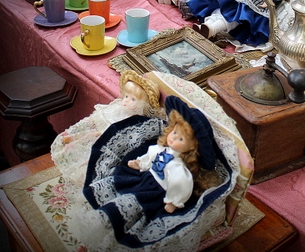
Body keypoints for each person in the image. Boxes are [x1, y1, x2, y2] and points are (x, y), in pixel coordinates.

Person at [82, 95, 218, 249]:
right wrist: (141, 163)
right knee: (121, 188)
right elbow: (151, 155)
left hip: (155, 190)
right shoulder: (162, 149)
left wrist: (174, 201)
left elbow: (181, 184)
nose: (173, 139)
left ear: (192, 148)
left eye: (181, 139)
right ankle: (102, 220)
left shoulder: (178, 167)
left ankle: (113, 230)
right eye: (174, 132)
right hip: (144, 178)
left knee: (133, 205)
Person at [50, 70, 161, 189]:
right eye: (126, 96)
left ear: (143, 104)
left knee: (93, 163)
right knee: (78, 151)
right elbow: (97, 118)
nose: (126, 101)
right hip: (98, 136)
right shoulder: (117, 108)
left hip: (110, 145)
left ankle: (88, 181)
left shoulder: (137, 120)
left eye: (133, 99)